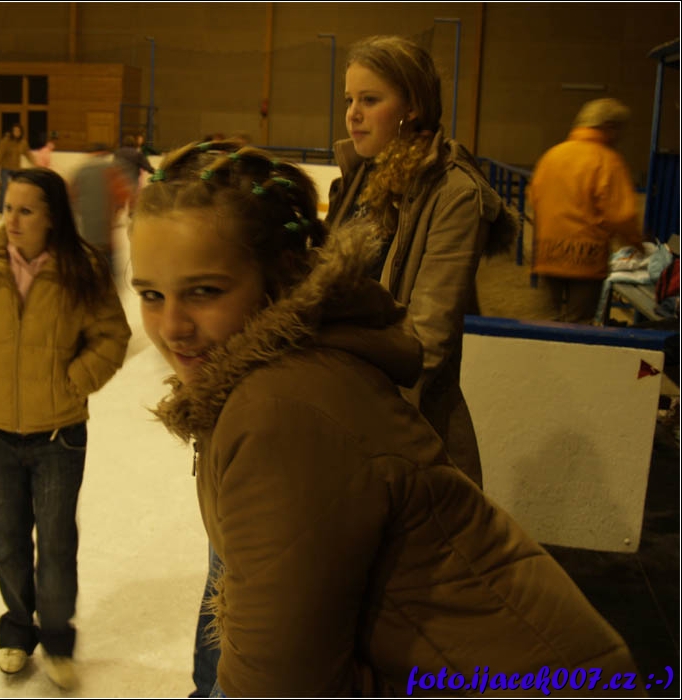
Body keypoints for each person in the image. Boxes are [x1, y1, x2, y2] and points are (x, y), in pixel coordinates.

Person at [129, 140, 642, 698]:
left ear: (278, 276)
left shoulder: (279, 409)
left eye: (204, 291)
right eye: (151, 295)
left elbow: (278, 688)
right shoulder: (269, 379)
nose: (171, 326)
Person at [0, 167, 132, 690]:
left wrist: (72, 383)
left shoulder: (80, 270)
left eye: (25, 210)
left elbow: (111, 335)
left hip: (59, 436)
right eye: (9, 208)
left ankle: (56, 638)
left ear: (51, 217)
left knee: (54, 544)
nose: (12, 220)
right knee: (7, 541)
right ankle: (16, 630)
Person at [326, 35, 517, 489]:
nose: (353, 114)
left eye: (370, 100)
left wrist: (345, 390)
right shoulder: (359, 175)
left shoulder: (455, 194)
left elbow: (426, 342)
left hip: (400, 422)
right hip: (334, 398)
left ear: (411, 106)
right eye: (350, 100)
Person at [528, 98, 645, 323]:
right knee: (578, 326)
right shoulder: (607, 161)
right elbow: (621, 215)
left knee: (546, 323)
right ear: (609, 127)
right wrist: (637, 244)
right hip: (585, 261)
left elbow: (535, 197)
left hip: (547, 255)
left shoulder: (552, 156)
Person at [69, 144, 132, 277]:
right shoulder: (111, 169)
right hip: (106, 237)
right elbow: (123, 195)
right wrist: (116, 214)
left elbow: (71, 198)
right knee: (109, 273)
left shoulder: (80, 171)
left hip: (86, 236)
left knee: (89, 270)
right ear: (104, 153)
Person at [0, 123, 34, 216]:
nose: (16, 133)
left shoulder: (23, 142)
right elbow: (0, 154)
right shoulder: (6, 141)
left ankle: (16, 209)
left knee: (18, 190)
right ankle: (0, 209)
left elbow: (28, 154)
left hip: (16, 169)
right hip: (5, 168)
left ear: (21, 132)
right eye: (15, 131)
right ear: (12, 131)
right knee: (4, 188)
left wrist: (36, 164)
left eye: (18, 131)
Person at [113, 134, 156, 215]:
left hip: (119, 181)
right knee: (132, 202)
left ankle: (115, 216)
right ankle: (131, 215)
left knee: (119, 202)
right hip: (131, 180)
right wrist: (154, 171)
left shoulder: (117, 153)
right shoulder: (137, 154)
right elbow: (146, 166)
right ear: (134, 143)